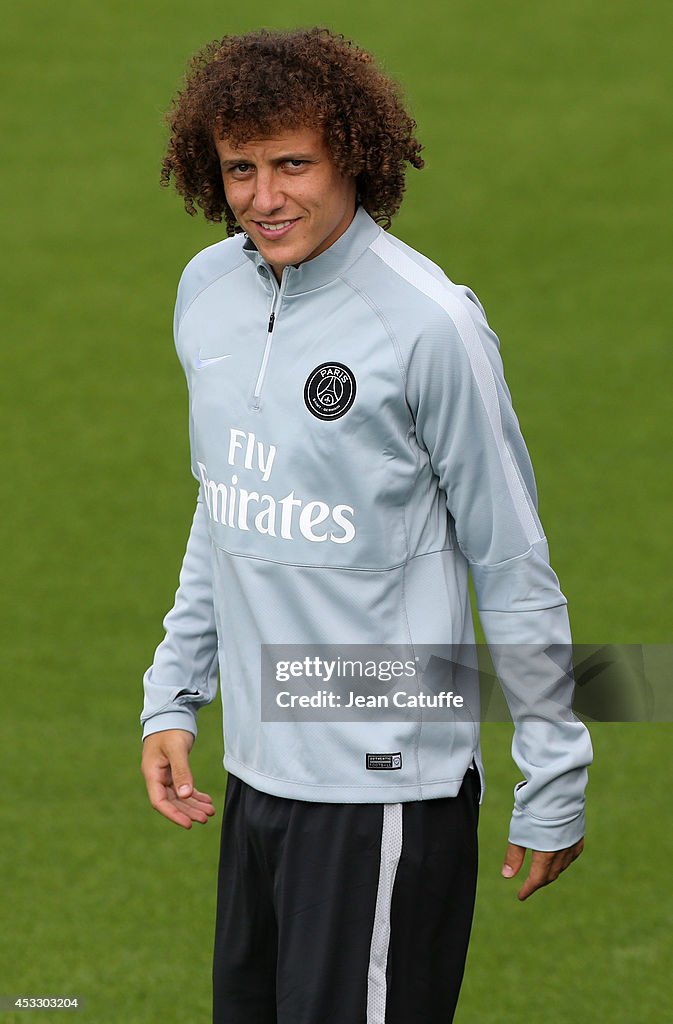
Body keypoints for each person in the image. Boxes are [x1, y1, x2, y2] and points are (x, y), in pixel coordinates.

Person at [141, 27, 592, 1024]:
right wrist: (174, 693)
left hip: (385, 791)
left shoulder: (429, 326)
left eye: (292, 163)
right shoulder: (206, 295)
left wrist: (552, 771)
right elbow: (228, 499)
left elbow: (511, 560)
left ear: (351, 153)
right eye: (240, 169)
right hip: (259, 778)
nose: (264, 198)